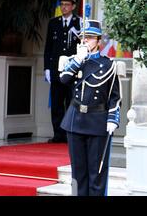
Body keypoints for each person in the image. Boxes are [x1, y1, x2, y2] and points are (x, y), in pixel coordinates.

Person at [59, 20, 121, 196]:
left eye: (90, 37)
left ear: (99, 41)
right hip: (75, 120)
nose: (85, 41)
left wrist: (112, 119)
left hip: (97, 122)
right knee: (78, 174)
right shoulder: (75, 61)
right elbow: (64, 79)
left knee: (97, 174)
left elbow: (115, 97)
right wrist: (79, 59)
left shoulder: (108, 65)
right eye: (83, 37)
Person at [43, 0, 82, 143]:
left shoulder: (79, 23)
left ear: (73, 6)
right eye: (62, 4)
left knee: (72, 101)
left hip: (73, 70)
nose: (64, 7)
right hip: (56, 70)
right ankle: (58, 134)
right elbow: (48, 48)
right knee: (57, 103)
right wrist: (46, 68)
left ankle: (71, 133)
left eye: (67, 5)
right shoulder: (53, 23)